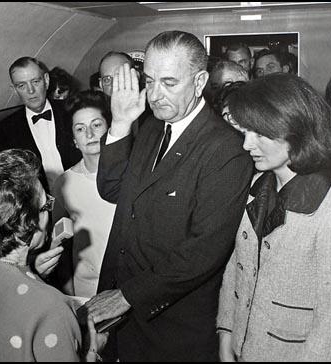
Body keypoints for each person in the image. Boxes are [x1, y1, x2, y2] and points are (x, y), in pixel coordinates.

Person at [84, 30, 254, 361]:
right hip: (125, 317)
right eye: (149, 81)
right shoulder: (150, 127)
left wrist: (127, 296)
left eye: (169, 82)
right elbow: (113, 189)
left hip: (174, 327)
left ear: (200, 80)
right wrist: (119, 123)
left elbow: (204, 251)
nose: (155, 94)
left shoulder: (225, 149)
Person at [217, 73, 331, 361]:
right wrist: (227, 336)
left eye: (259, 134)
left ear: (296, 132)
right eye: (246, 132)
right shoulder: (256, 188)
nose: (246, 145)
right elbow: (236, 270)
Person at [0, 149, 107, 361]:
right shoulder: (51, 308)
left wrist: (32, 273)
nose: (48, 213)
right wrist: (92, 351)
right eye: (45, 205)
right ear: (28, 224)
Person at [52, 90, 116, 298]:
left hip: (127, 287)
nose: (89, 134)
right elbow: (59, 241)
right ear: (73, 139)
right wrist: (68, 288)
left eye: (96, 125)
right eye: (80, 129)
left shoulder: (133, 174)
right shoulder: (64, 183)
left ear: (110, 127)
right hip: (86, 288)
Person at [0, 57, 81, 192]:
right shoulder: (5, 130)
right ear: (14, 90)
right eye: (22, 85)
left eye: (35, 81)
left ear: (46, 80)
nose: (31, 91)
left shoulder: (72, 111)